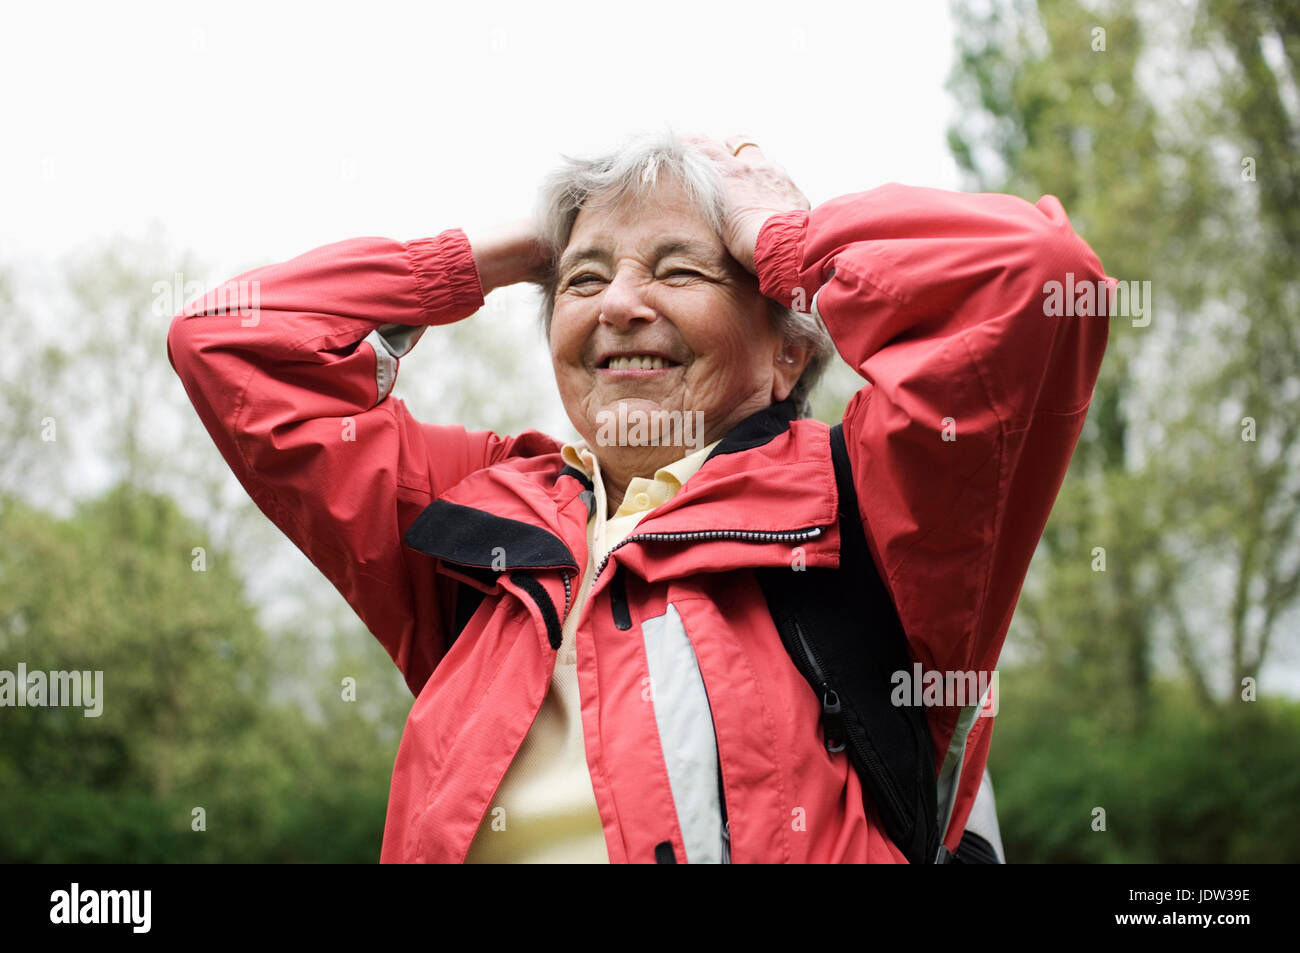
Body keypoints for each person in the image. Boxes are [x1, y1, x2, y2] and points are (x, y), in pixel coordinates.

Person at [167, 130, 1109, 863]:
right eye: (581, 280)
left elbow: (1034, 281)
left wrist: (782, 240)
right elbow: (227, 342)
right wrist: (491, 258)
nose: (619, 303)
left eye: (679, 268)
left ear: (790, 350)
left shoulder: (870, 501)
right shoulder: (476, 514)